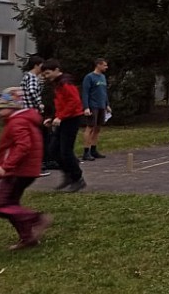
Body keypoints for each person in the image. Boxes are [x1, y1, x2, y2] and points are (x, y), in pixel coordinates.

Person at [0, 86, 52, 250]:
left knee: (0, 205)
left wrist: (6, 165)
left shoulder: (17, 122)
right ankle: (27, 238)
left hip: (17, 171)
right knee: (12, 206)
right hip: (24, 170)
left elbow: (23, 146)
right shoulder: (22, 120)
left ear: (12, 107)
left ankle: (36, 218)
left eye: (1, 108)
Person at [42, 59, 86, 193]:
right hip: (63, 119)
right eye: (44, 74)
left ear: (56, 70)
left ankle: (77, 178)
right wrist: (53, 117)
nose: (46, 76)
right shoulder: (57, 84)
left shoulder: (65, 83)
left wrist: (61, 117)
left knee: (66, 151)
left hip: (71, 119)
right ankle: (68, 175)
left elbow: (74, 102)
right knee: (53, 150)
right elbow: (61, 104)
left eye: (48, 73)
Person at [20, 55, 51, 176]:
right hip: (32, 112)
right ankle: (36, 166)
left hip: (26, 111)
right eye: (41, 65)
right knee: (36, 139)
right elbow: (32, 91)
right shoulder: (32, 77)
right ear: (37, 65)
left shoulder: (26, 76)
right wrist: (40, 104)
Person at [81, 57, 111, 161]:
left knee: (98, 128)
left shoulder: (103, 77)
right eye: (104, 65)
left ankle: (94, 149)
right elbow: (85, 92)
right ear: (98, 65)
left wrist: (107, 104)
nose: (106, 67)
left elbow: (104, 92)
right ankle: (86, 151)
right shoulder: (89, 77)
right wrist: (86, 107)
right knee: (90, 127)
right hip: (93, 105)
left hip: (101, 105)